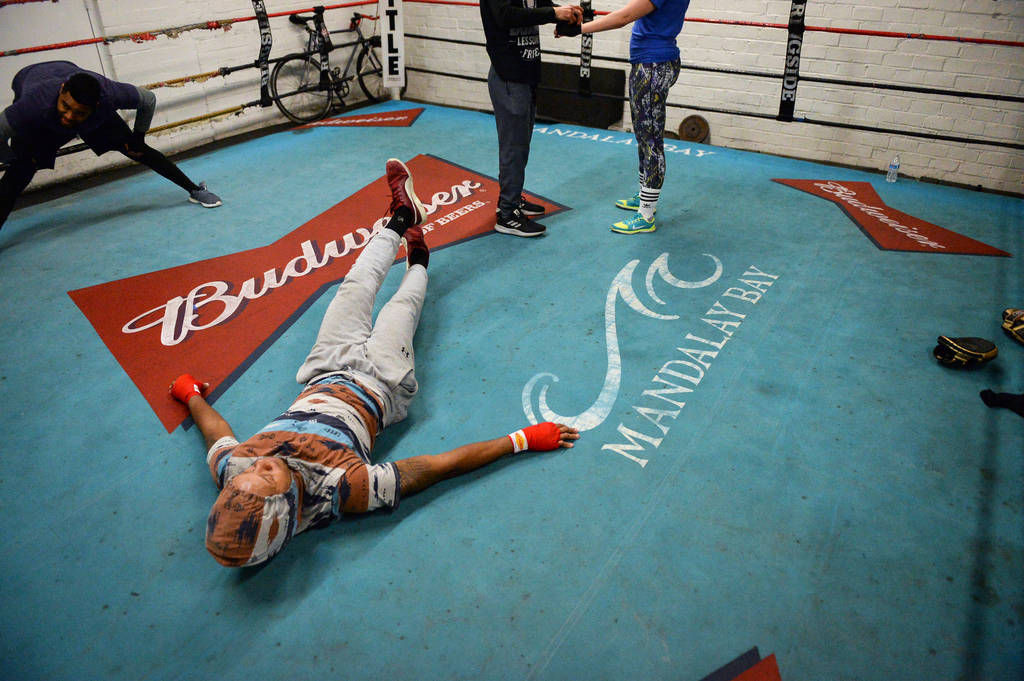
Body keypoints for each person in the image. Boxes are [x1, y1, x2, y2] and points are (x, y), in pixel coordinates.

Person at [169, 158, 580, 567]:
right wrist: (522, 440)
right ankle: (419, 258)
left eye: (248, 473)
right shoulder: (342, 488)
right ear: (288, 505)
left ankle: (402, 215)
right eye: (267, 477)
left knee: (355, 284)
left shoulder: (233, 469)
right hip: (381, 383)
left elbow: (215, 433)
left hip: (326, 366)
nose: (260, 464)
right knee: (403, 307)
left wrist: (190, 397)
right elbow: (437, 466)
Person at [0, 60, 222, 231]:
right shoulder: (33, 105)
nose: (68, 117)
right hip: (31, 82)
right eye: (65, 106)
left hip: (73, 79)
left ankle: (195, 190)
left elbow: (148, 99)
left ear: (96, 106)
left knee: (136, 149)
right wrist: (11, 157)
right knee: (20, 170)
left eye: (78, 113)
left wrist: (139, 137)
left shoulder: (110, 95)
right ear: (62, 91)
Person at [569, 0, 690, 234]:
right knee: (644, 135)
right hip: (653, 61)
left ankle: (646, 215)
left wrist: (578, 29)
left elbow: (623, 18)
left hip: (652, 65)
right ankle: (645, 195)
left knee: (650, 139)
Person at [480, 0, 583, 238]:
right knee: (513, 147)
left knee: (521, 145)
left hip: (527, 72)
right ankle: (507, 215)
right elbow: (505, 15)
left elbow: (541, 5)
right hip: (509, 75)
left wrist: (565, 13)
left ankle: (511, 199)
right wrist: (552, 13)